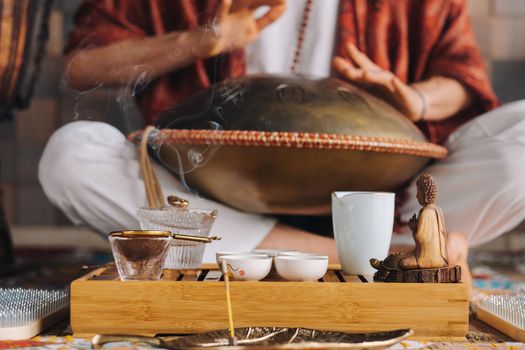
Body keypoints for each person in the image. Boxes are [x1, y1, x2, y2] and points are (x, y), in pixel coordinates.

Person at [39, 1, 525, 280]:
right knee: (71, 155)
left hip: (383, 196)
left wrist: (414, 101)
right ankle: (386, 259)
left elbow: (462, 80)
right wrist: (199, 41)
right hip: (208, 194)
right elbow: (84, 66)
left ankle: (393, 240)